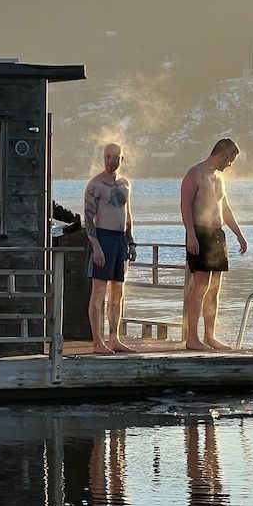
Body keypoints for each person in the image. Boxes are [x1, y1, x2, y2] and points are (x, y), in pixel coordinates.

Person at [180, 138, 248, 350]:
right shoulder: (195, 174)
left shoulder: (219, 178)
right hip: (199, 232)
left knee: (214, 289)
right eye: (230, 160)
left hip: (217, 235)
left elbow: (224, 207)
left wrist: (238, 234)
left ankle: (210, 335)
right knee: (200, 286)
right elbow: (185, 205)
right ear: (221, 155)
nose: (230, 165)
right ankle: (193, 338)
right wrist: (190, 234)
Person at [83, 143, 137, 354]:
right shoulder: (95, 185)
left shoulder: (125, 184)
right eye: (107, 157)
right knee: (99, 292)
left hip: (120, 239)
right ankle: (98, 341)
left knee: (118, 292)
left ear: (122, 160)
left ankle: (115, 338)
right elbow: (88, 218)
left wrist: (131, 242)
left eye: (115, 157)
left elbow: (128, 214)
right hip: (102, 237)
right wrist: (96, 246)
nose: (110, 161)